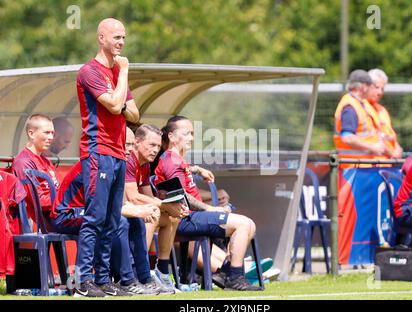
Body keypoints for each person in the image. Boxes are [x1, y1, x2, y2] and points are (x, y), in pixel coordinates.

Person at [52, 128, 166, 296]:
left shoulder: (116, 164)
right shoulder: (99, 164)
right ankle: (124, 280)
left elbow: (115, 206)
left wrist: (140, 211)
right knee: (119, 221)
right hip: (68, 214)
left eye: (130, 145)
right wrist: (138, 210)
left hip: (88, 213)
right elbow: (105, 209)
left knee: (134, 221)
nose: (128, 149)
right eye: (124, 144)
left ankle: (143, 278)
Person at [155, 115, 263, 291]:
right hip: (185, 218)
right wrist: (210, 208)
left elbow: (181, 173)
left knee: (249, 224)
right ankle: (234, 277)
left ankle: (227, 270)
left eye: (192, 133)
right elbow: (183, 197)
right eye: (186, 133)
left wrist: (197, 169)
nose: (191, 137)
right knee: (243, 224)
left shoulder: (175, 159)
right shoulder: (171, 161)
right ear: (171, 137)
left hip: (191, 217)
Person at [74, 17, 140, 297]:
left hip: (118, 153)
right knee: (95, 218)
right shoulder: (90, 71)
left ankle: (103, 279)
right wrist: (122, 73)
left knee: (113, 220)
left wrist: (121, 96)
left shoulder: (119, 76)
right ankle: (83, 281)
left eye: (123, 38)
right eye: (116, 37)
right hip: (97, 151)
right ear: (101, 38)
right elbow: (114, 106)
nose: (121, 43)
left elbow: (135, 115)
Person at [124, 124, 187, 293]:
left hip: (132, 211)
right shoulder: (129, 159)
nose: (155, 150)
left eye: (158, 146)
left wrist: (171, 207)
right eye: (152, 145)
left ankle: (162, 272)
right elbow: (133, 196)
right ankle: (139, 271)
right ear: (137, 142)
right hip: (122, 212)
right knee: (154, 212)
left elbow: (147, 196)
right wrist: (163, 205)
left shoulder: (144, 165)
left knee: (172, 217)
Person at [333, 69, 387, 168]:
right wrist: (373, 147)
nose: (372, 89)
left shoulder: (360, 104)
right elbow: (347, 137)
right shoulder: (350, 107)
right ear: (363, 87)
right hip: (352, 169)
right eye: (370, 86)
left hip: (362, 166)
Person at [12, 114, 60, 223]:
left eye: (52, 133)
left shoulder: (46, 161)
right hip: (47, 220)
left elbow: (58, 189)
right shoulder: (24, 162)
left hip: (58, 213)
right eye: (47, 132)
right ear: (31, 133)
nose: (51, 138)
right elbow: (38, 201)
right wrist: (66, 199)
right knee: (94, 222)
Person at [367, 68, 403, 159]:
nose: (380, 92)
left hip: (387, 164)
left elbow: (390, 135)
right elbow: (372, 139)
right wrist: (392, 153)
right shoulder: (362, 108)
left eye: (382, 89)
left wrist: (398, 149)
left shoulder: (382, 110)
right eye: (376, 87)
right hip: (371, 164)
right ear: (367, 86)